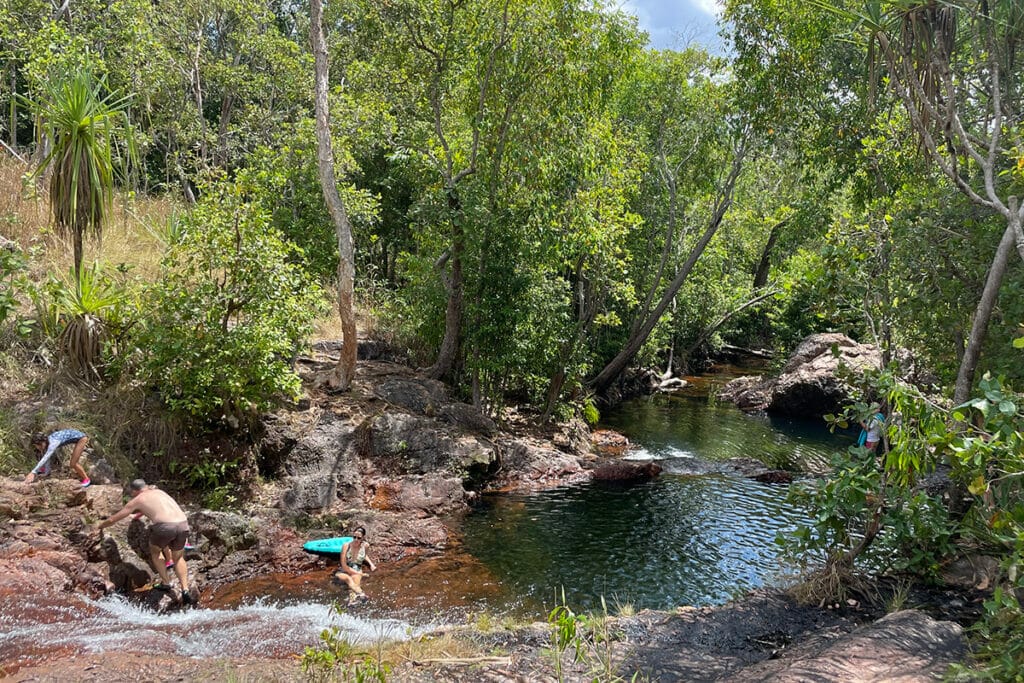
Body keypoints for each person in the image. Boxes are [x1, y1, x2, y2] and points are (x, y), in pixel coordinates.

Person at [92, 479, 194, 606]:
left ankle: (166, 583)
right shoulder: (159, 492)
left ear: (135, 491)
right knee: (178, 558)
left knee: (155, 551)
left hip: (165, 526)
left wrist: (99, 526)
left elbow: (113, 519)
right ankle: (185, 589)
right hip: (183, 524)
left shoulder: (138, 499)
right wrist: (140, 513)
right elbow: (155, 507)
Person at [24, 429, 90, 487]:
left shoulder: (53, 443)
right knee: (72, 463)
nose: (38, 447)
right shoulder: (47, 443)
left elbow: (46, 457)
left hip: (81, 438)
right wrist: (46, 472)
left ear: (43, 441)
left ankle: (86, 479)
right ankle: (43, 470)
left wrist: (33, 472)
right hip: (77, 438)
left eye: (38, 445)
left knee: (73, 463)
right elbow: (47, 460)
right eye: (36, 446)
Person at [333, 526, 376, 605]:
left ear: (363, 538)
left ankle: (352, 601)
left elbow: (364, 555)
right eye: (354, 537)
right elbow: (344, 565)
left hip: (357, 567)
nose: (356, 539)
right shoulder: (346, 546)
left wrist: (371, 564)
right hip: (345, 569)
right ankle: (362, 594)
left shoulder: (366, 546)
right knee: (348, 579)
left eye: (359, 538)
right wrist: (360, 574)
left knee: (355, 582)